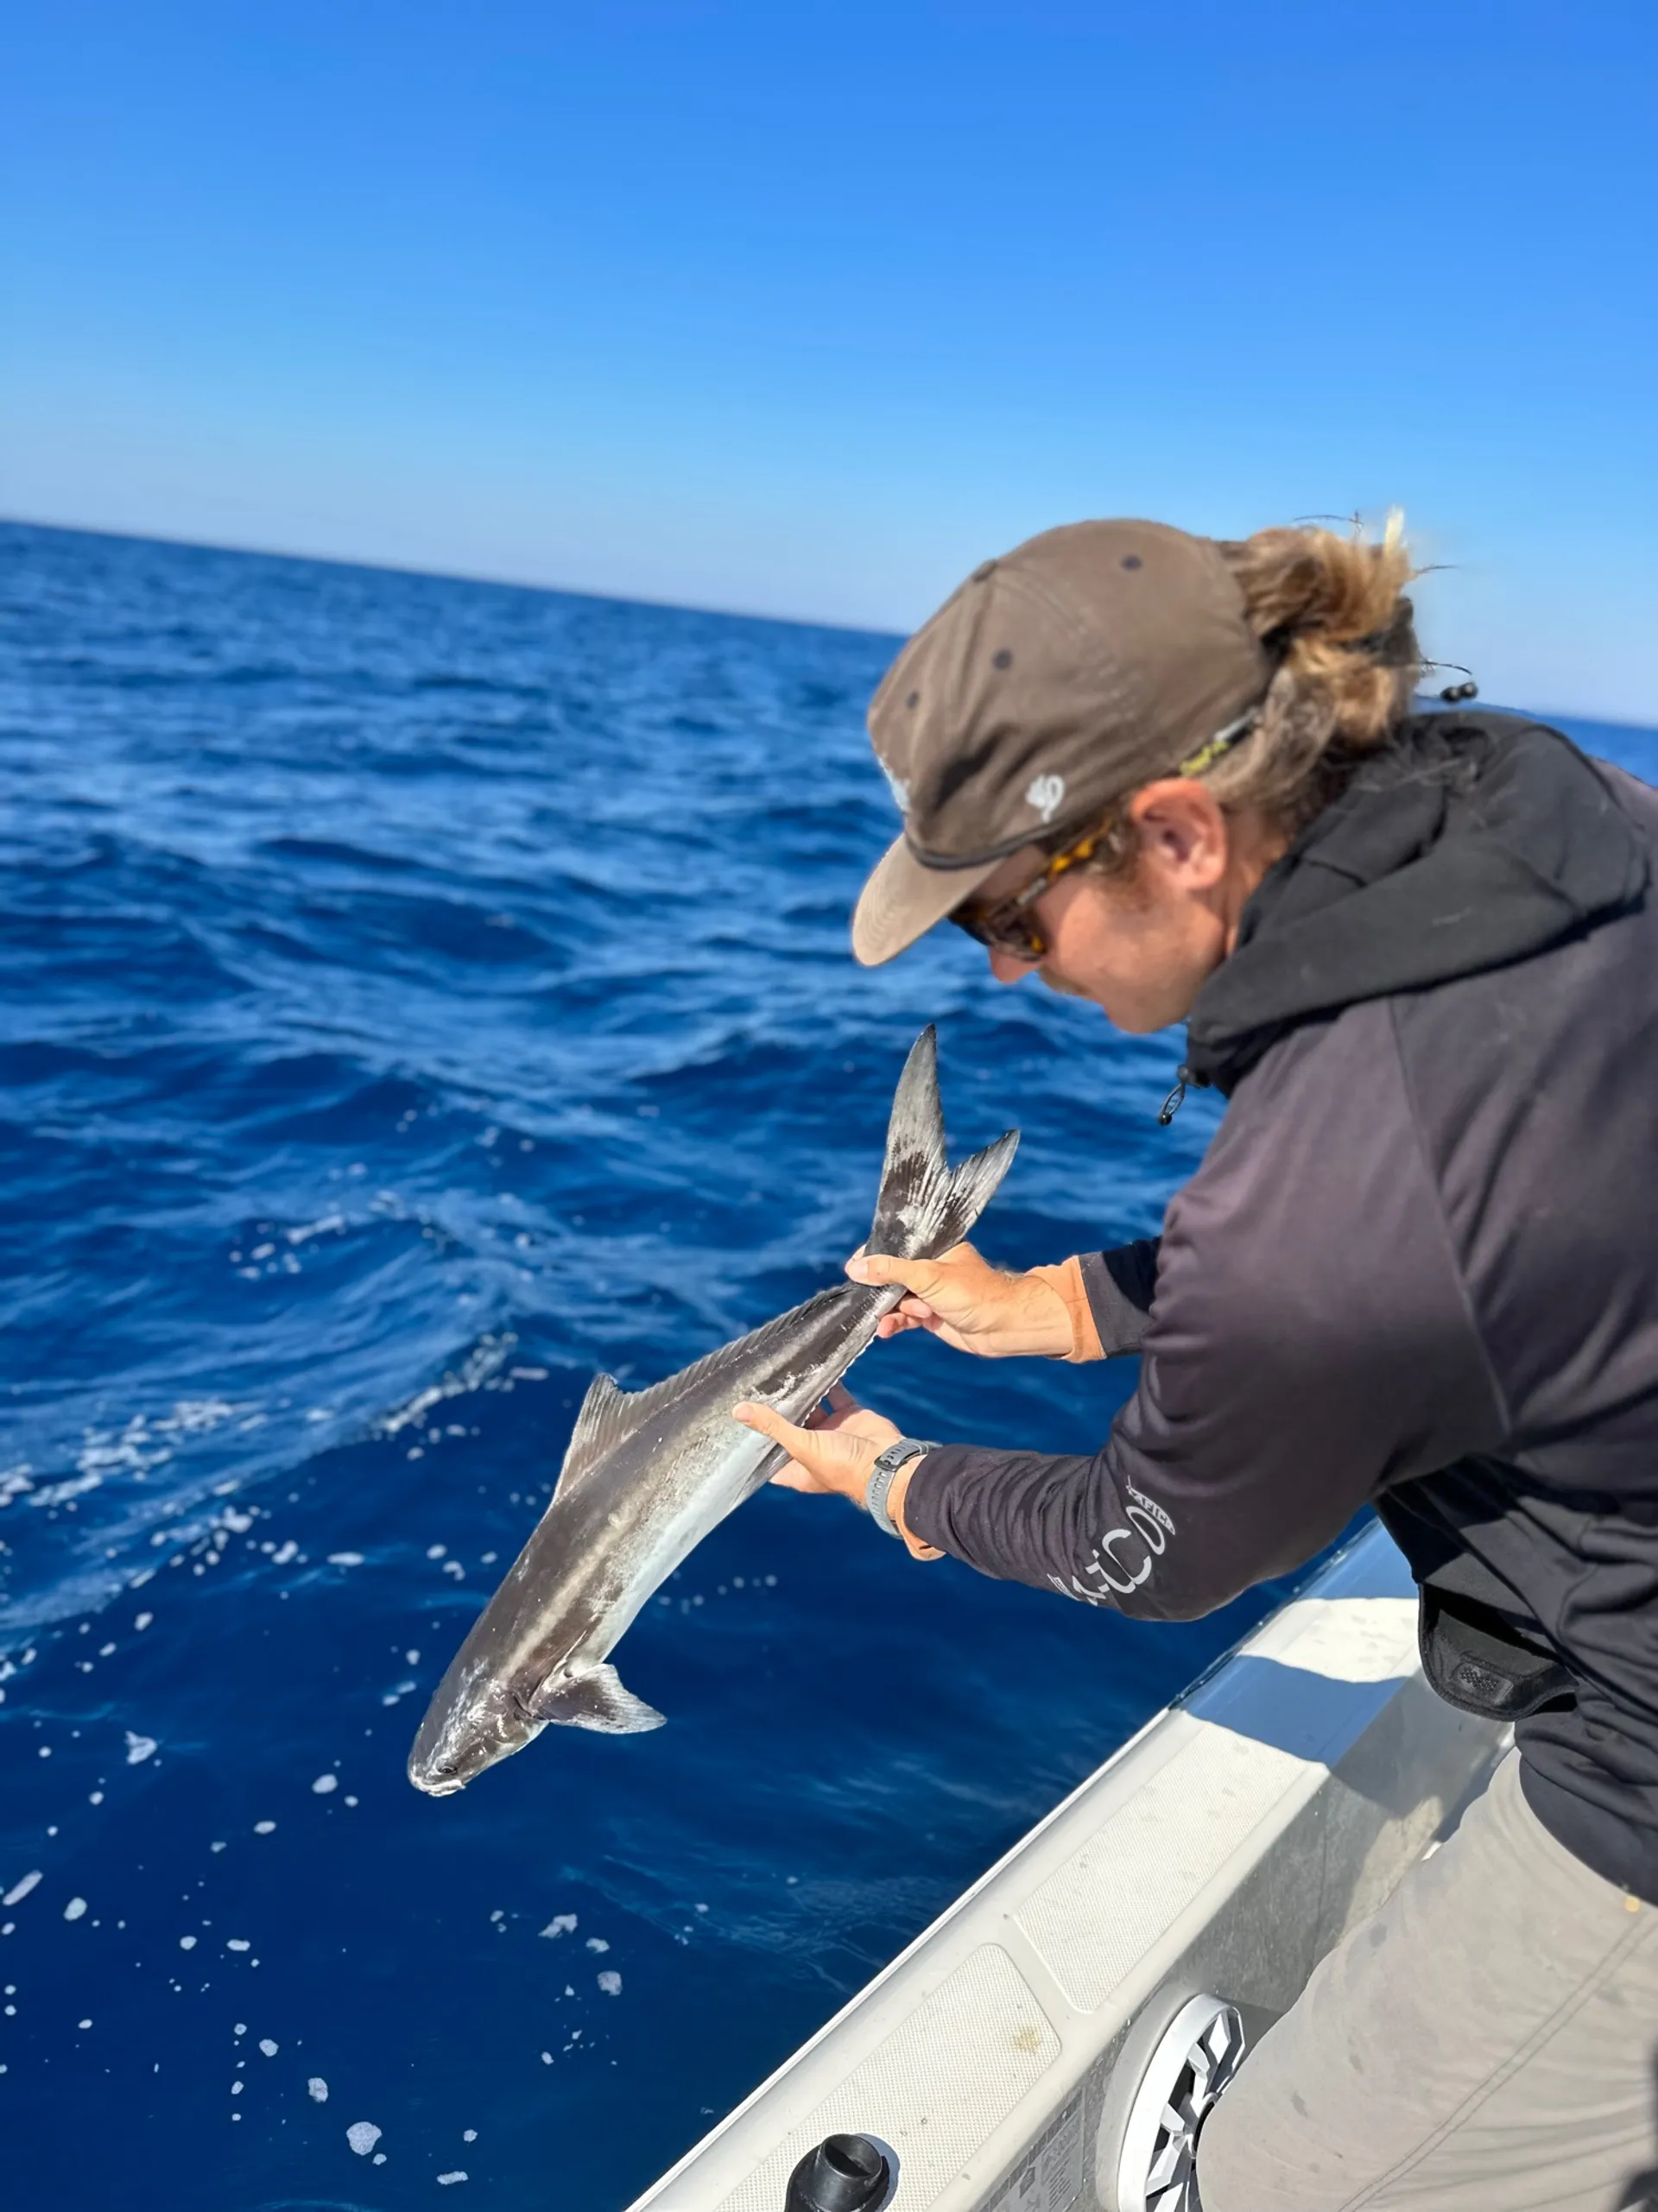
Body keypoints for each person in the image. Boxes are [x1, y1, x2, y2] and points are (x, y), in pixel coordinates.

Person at [732, 516, 1658, 2212]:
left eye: (1009, 915)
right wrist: (1063, 1303)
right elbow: (1468, 1219)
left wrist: (892, 1477)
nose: (1008, 972)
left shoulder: (1334, 1188)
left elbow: (1146, 1547)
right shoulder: (1552, 809)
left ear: (1171, 835)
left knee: (1279, 2183)